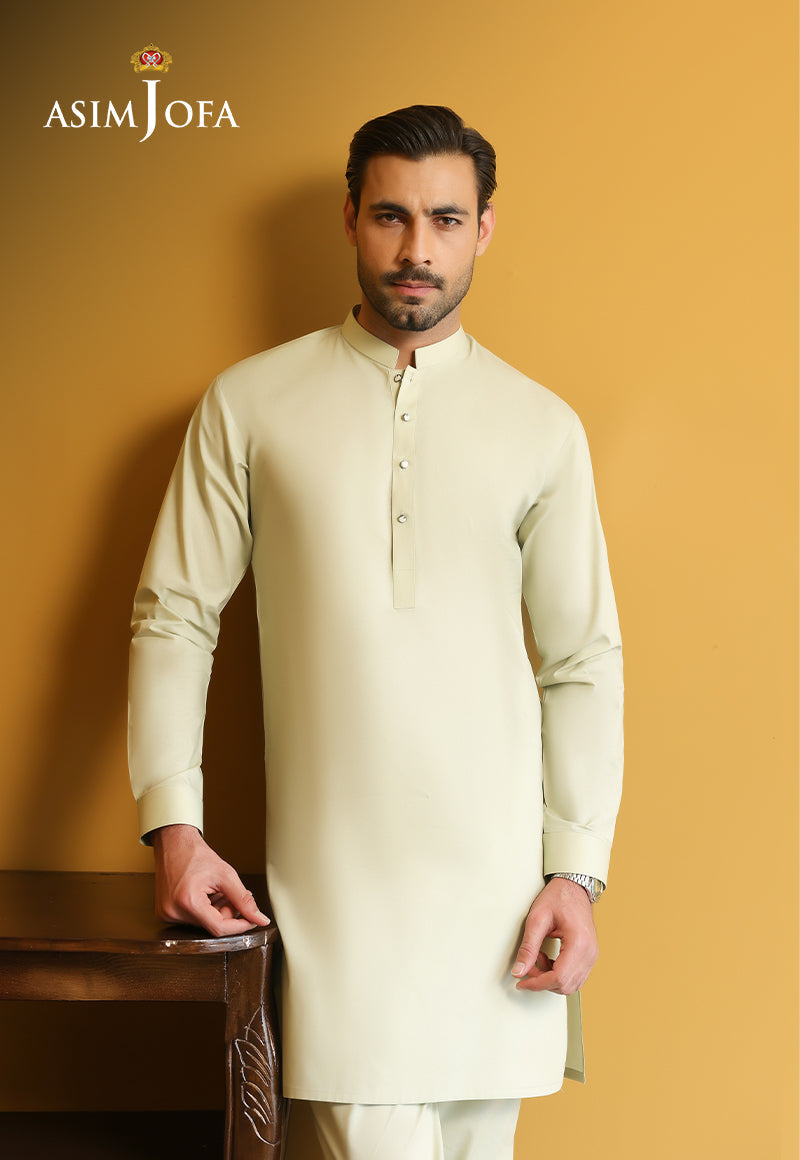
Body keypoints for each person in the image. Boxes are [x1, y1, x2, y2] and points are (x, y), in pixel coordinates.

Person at [128, 105, 624, 1160]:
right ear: (351, 218)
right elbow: (174, 613)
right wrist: (173, 824)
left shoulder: (541, 426)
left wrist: (575, 872)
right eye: (391, 216)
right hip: (335, 900)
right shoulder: (250, 403)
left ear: (484, 228)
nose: (416, 250)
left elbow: (582, 660)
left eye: (445, 219)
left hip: (502, 905)